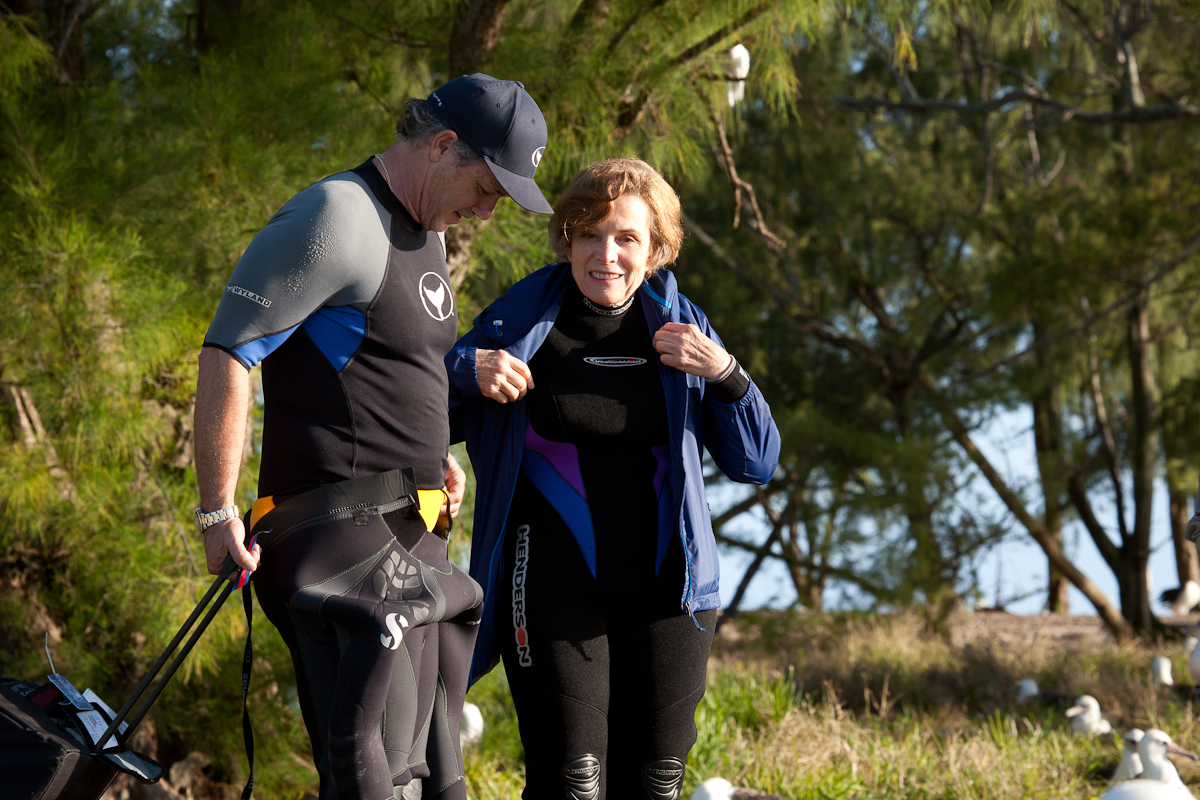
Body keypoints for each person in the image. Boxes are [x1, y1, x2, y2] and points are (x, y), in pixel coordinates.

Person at [193, 73, 554, 800]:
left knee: (429, 782)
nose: (488, 210)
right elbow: (231, 352)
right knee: (377, 782)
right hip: (339, 543)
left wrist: (434, 464)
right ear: (443, 146)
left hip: (411, 540)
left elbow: (385, 366)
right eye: (487, 187)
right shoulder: (338, 215)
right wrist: (216, 509)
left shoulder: (425, 234)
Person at [446, 158, 781, 800]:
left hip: (670, 590)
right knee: (571, 783)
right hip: (548, 583)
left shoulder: (682, 329)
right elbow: (418, 404)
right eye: (589, 234)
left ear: (657, 248)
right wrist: (469, 372)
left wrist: (728, 373)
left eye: (627, 238)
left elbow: (757, 461)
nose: (607, 254)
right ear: (568, 238)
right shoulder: (521, 323)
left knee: (656, 784)